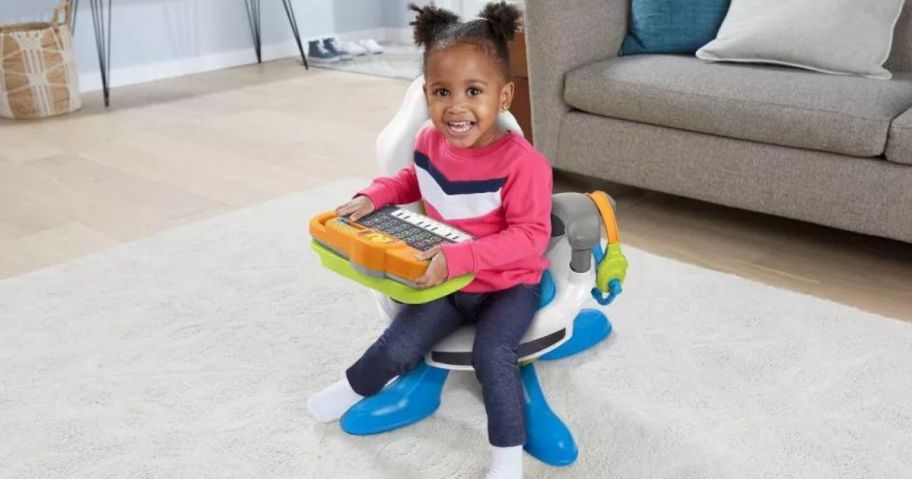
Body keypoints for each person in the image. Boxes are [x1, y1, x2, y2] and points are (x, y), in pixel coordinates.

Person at [307, 3, 551, 478]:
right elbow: (411, 181)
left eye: (474, 91)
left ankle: (507, 457)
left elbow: (530, 237)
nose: (456, 106)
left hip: (508, 284)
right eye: (442, 91)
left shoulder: (524, 165)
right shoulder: (428, 141)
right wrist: (372, 196)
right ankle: (352, 388)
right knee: (399, 342)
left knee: (492, 356)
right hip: (447, 281)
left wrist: (463, 258)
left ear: (503, 97)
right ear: (426, 93)